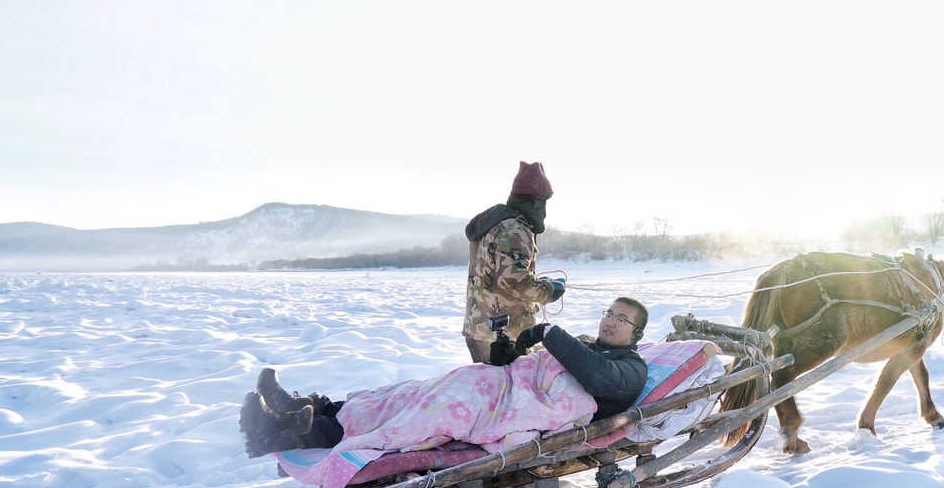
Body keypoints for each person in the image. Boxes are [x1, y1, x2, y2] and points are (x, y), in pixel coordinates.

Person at [238, 296, 653, 455]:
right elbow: (521, 369)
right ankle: (310, 409)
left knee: (430, 411)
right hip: (499, 387)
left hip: (520, 406)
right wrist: (514, 349)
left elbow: (598, 379)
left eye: (622, 319)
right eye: (609, 314)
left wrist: (549, 333)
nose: (611, 322)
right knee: (409, 393)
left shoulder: (631, 367)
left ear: (636, 333)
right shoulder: (586, 344)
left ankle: (290, 435)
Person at [463, 161, 558, 363]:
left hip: (480, 329)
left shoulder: (494, 224)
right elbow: (515, 281)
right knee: (507, 391)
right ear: (536, 203)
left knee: (490, 390)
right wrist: (550, 291)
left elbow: (498, 277)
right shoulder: (515, 229)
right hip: (504, 337)